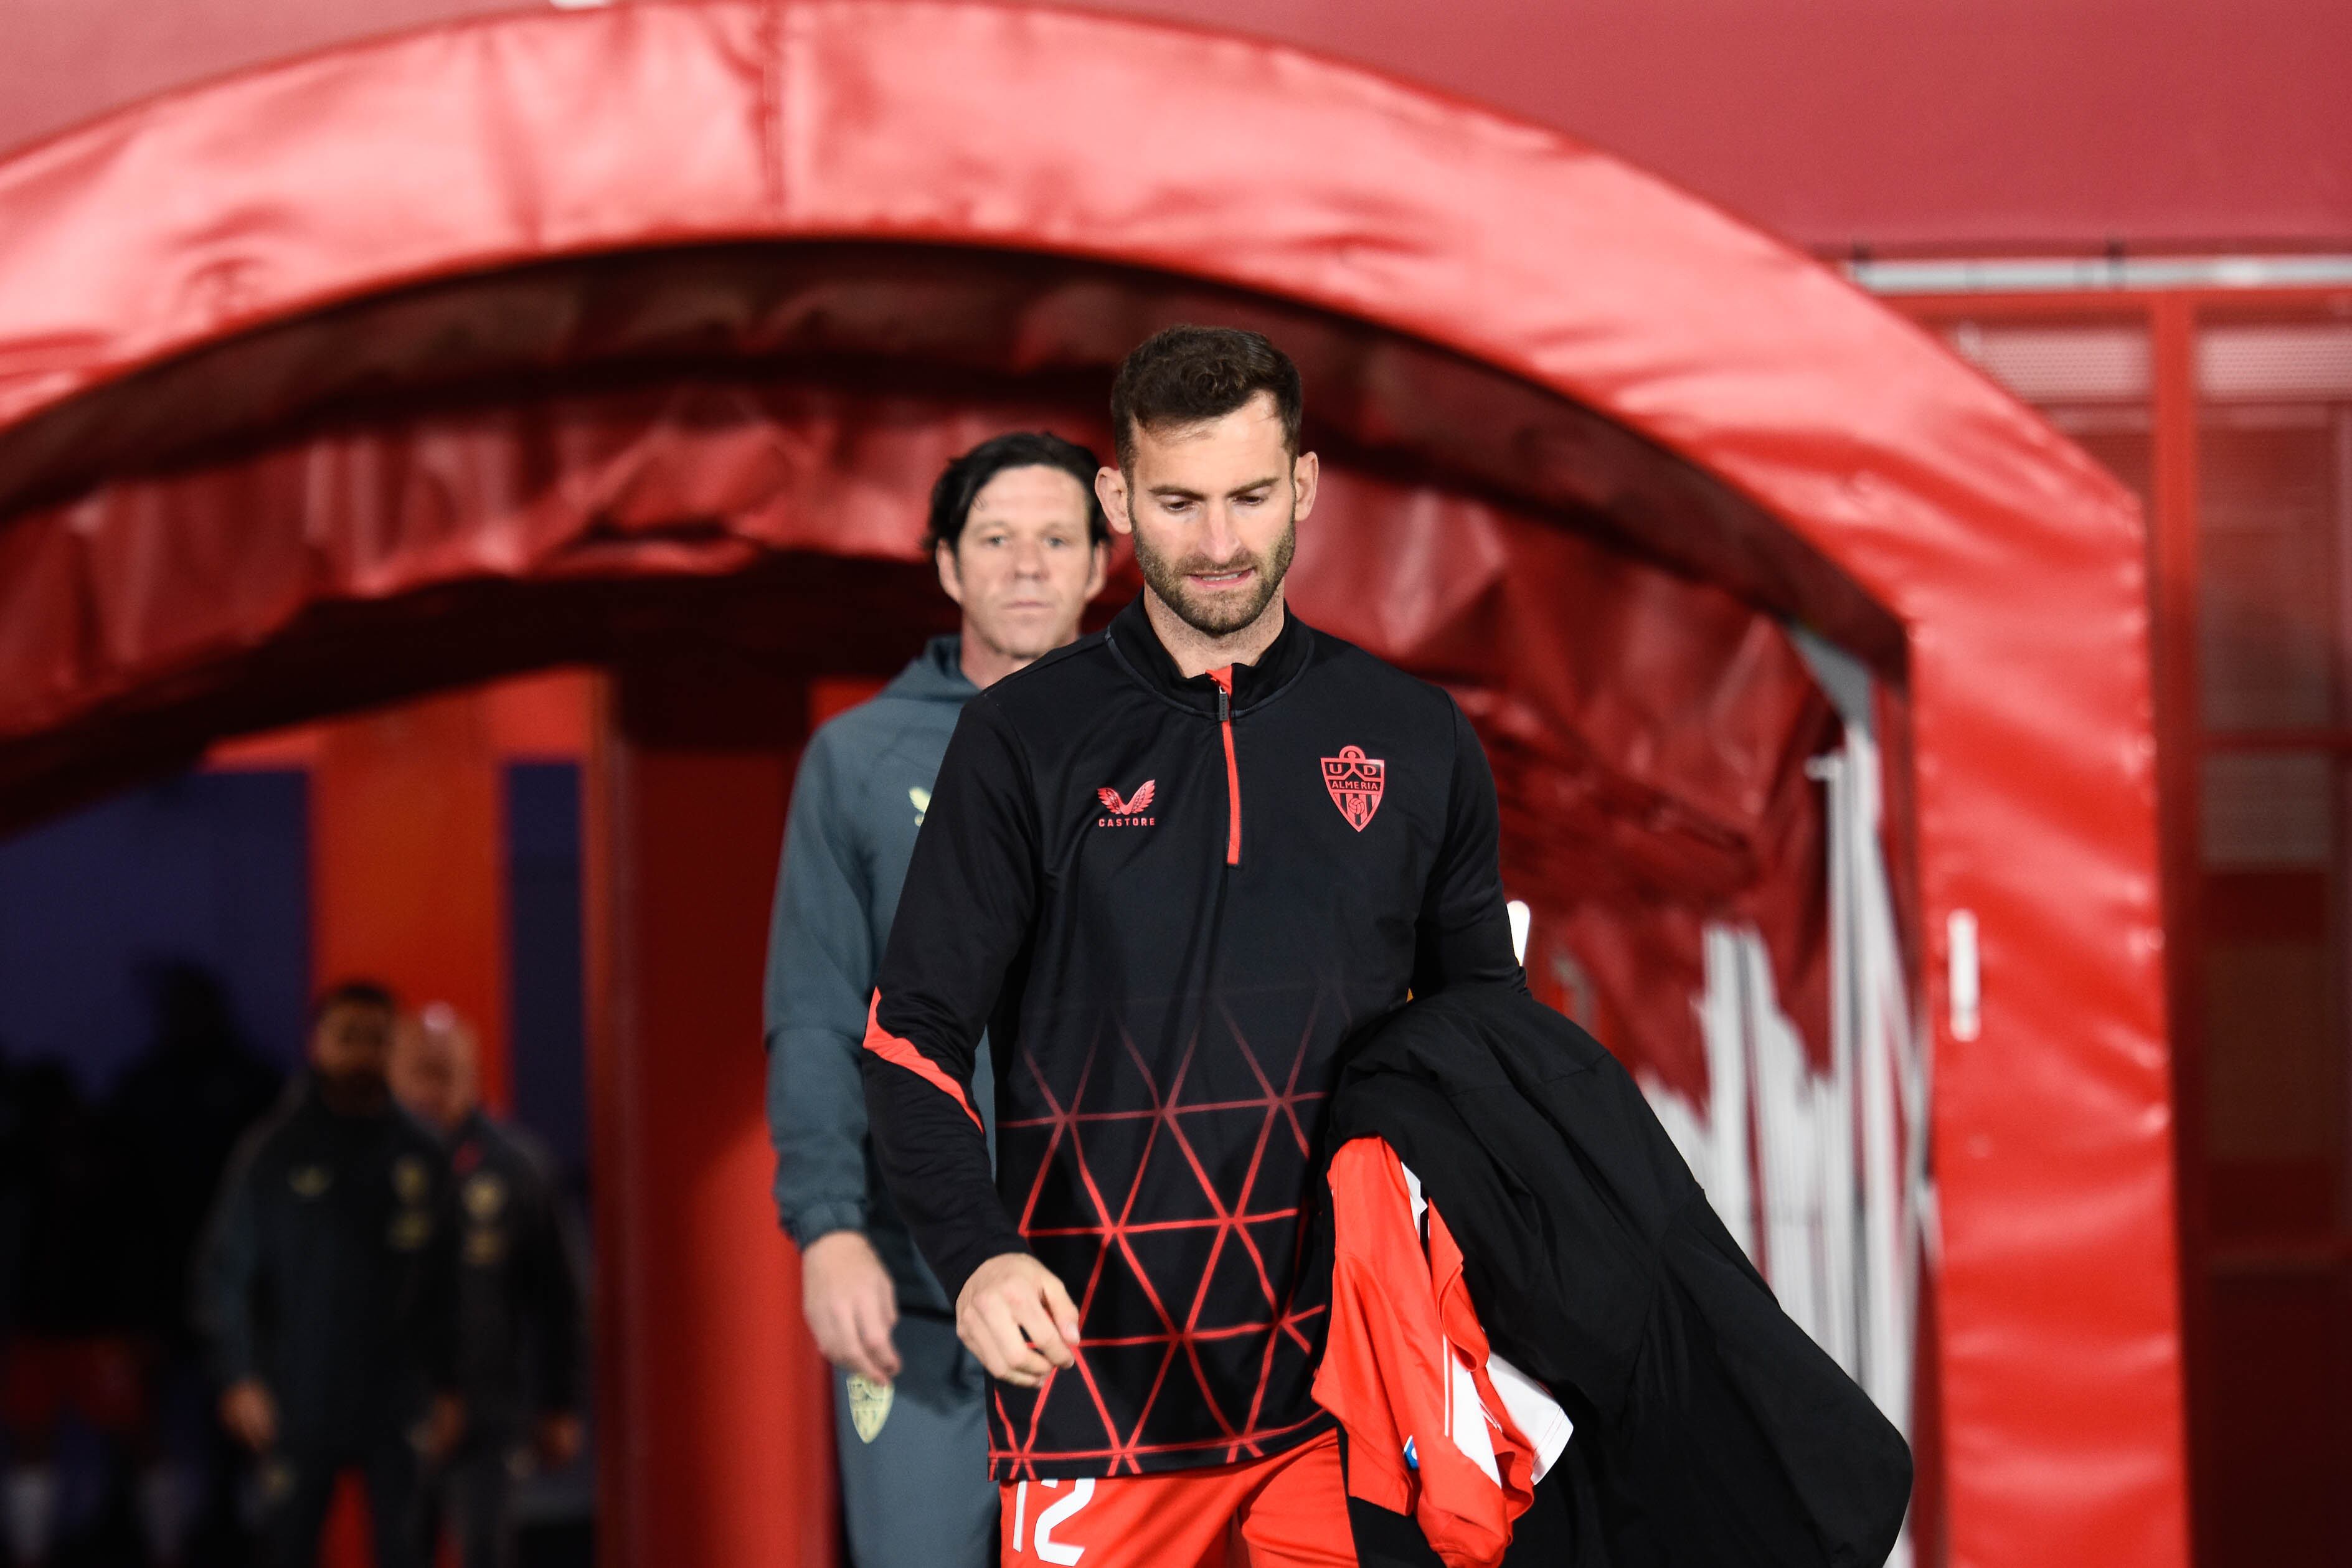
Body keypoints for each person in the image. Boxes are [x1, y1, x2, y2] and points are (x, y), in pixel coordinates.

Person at [860, 326, 1524, 1567]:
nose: (1217, 542)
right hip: (1092, 1394)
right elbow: (912, 1034)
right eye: (1177, 500)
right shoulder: (1023, 740)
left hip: (1343, 1392)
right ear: (1117, 499)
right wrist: (977, 1253)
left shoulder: (1413, 734)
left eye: (1247, 497)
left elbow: (1488, 1039)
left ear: (1305, 487)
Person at [765, 430, 1111, 1567]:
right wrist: (825, 1232)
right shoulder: (857, 759)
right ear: (948, 566)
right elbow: (815, 1011)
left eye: (1056, 539)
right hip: (914, 1290)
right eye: (997, 539)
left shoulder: (1161, 750)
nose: (1026, 564)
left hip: (1111, 1285)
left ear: (1100, 564)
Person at [192, 980, 462, 1568]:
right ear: (318, 1045)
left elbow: (455, 1285)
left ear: (395, 1048)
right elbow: (225, 1273)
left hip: (401, 1398)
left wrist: (454, 1385)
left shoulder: (423, 1153)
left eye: (376, 1039)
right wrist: (238, 1376)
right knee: (288, 1547)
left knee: (409, 1550)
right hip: (297, 1393)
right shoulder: (272, 1151)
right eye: (348, 1038)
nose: (362, 1052)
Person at [389, 1004, 585, 1568]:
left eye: (444, 1071)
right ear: (395, 1075)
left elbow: (559, 1297)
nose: (431, 1087)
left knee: (485, 1548)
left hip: (491, 1408)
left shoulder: (517, 1167)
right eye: (418, 1070)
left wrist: (560, 1403)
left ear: (471, 1074)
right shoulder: (372, 1167)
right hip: (398, 1408)